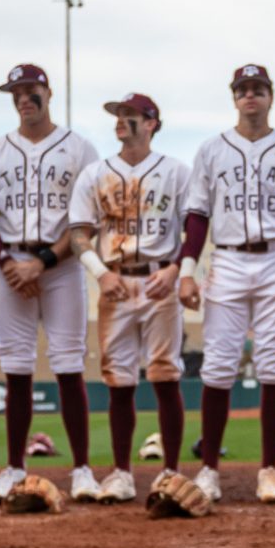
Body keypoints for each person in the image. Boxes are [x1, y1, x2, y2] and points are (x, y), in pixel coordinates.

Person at [178, 64, 275, 503]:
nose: (250, 97)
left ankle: (269, 470)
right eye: (243, 90)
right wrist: (187, 269)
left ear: (270, 97)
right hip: (227, 258)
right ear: (234, 97)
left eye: (258, 89)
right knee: (219, 366)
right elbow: (197, 215)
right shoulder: (211, 150)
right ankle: (208, 470)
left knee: (274, 366)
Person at [0, 64, 100, 502]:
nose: (24, 98)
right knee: (17, 368)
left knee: (69, 364)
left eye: (31, 90)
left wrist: (42, 262)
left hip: (60, 264)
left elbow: (88, 222)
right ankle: (13, 467)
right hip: (10, 261)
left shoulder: (79, 148)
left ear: (48, 92)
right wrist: (9, 263)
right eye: (16, 92)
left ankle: (82, 469)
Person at [69, 93, 190, 502]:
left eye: (131, 115)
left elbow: (195, 227)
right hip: (116, 280)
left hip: (159, 279)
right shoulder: (96, 173)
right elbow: (78, 233)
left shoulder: (175, 172)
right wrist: (100, 274)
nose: (122, 121)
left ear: (152, 122)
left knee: (165, 375)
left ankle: (171, 471)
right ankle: (121, 472)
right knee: (118, 380)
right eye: (119, 115)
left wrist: (177, 270)